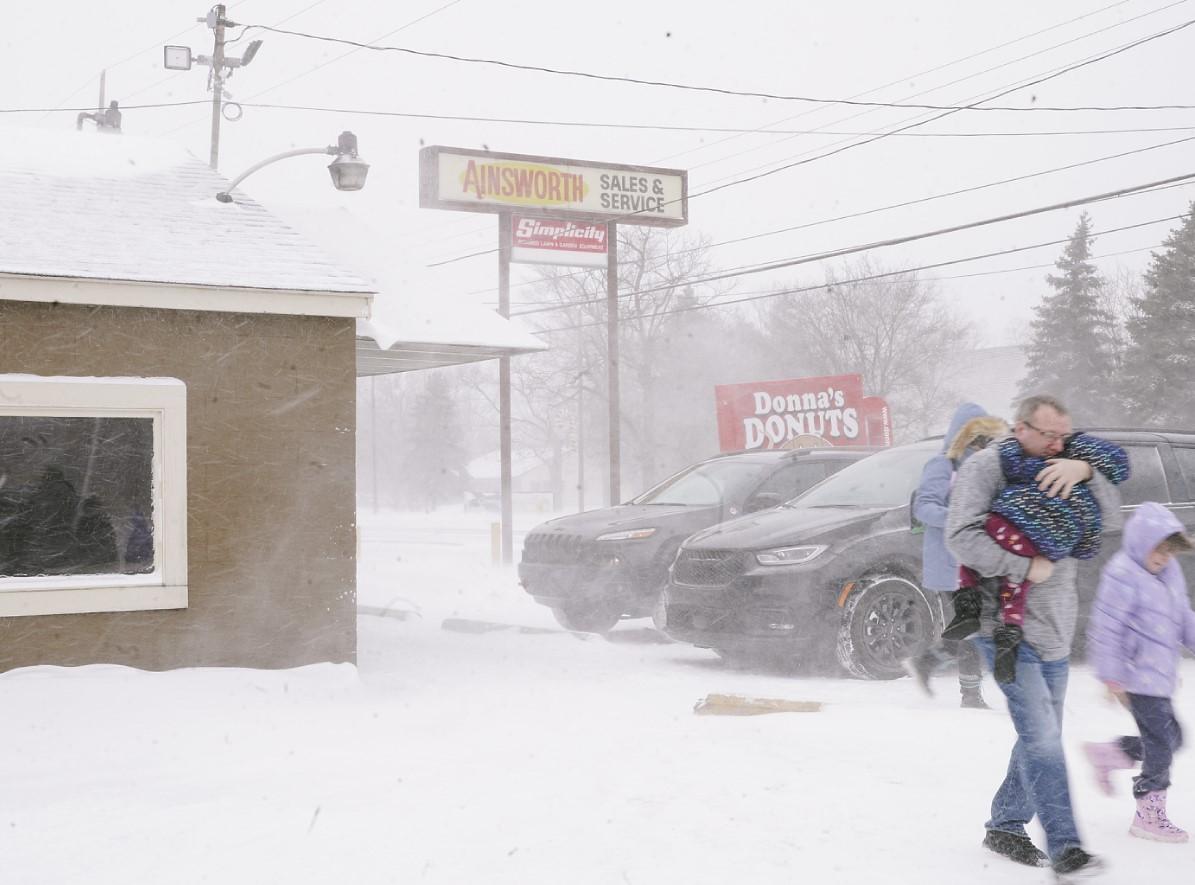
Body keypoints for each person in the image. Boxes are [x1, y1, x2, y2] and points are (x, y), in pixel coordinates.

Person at [946, 393, 1119, 878]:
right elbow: (959, 536)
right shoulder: (986, 467)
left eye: (1063, 435)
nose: (1057, 444)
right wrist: (1025, 564)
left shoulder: (1070, 460)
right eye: (1048, 435)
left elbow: (1110, 519)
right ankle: (1067, 849)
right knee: (1042, 739)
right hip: (1002, 626)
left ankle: (1005, 824)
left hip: (1055, 628)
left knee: (1041, 734)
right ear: (1020, 427)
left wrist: (1085, 471)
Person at [941, 431, 1129, 684]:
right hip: (1037, 555)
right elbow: (1098, 532)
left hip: (1011, 535)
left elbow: (965, 535)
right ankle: (1008, 632)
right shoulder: (1076, 481)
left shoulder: (1042, 463)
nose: (1056, 444)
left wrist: (1086, 471)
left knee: (979, 558)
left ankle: (967, 607)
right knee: (1016, 587)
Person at [1083, 502, 1195, 844]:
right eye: (1156, 551)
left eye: (1168, 551)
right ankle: (1149, 812)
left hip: (1159, 676)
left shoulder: (1169, 573)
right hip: (1134, 677)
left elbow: (1182, 615)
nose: (1162, 558)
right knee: (1162, 744)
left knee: (1174, 738)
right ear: (1139, 543)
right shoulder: (1122, 575)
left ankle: (1112, 753)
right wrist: (1112, 677)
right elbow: (1106, 628)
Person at [905, 402, 1005, 708]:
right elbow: (924, 508)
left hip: (976, 560)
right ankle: (970, 693)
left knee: (975, 624)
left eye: (984, 437)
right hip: (950, 562)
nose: (980, 443)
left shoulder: (982, 466)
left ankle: (929, 665)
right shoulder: (941, 466)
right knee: (973, 624)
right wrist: (962, 518)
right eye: (974, 436)